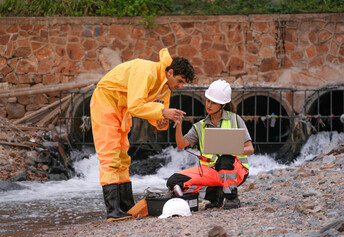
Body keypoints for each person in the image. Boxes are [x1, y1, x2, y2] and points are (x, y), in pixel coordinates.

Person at [90, 48, 195, 222]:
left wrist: (161, 122)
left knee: (123, 156)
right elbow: (136, 105)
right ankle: (113, 211)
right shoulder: (146, 71)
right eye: (180, 81)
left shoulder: (165, 87)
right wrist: (163, 112)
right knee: (110, 154)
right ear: (170, 72)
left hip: (121, 107)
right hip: (105, 101)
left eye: (183, 83)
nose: (180, 86)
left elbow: (158, 112)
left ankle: (125, 207)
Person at [167, 79, 254, 210]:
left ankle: (231, 197)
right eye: (208, 101)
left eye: (214, 102)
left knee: (225, 158)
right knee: (173, 181)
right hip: (211, 172)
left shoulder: (235, 120)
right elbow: (181, 144)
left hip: (236, 171)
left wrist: (231, 150)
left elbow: (250, 149)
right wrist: (178, 126)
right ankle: (216, 196)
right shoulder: (200, 126)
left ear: (223, 104)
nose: (209, 105)